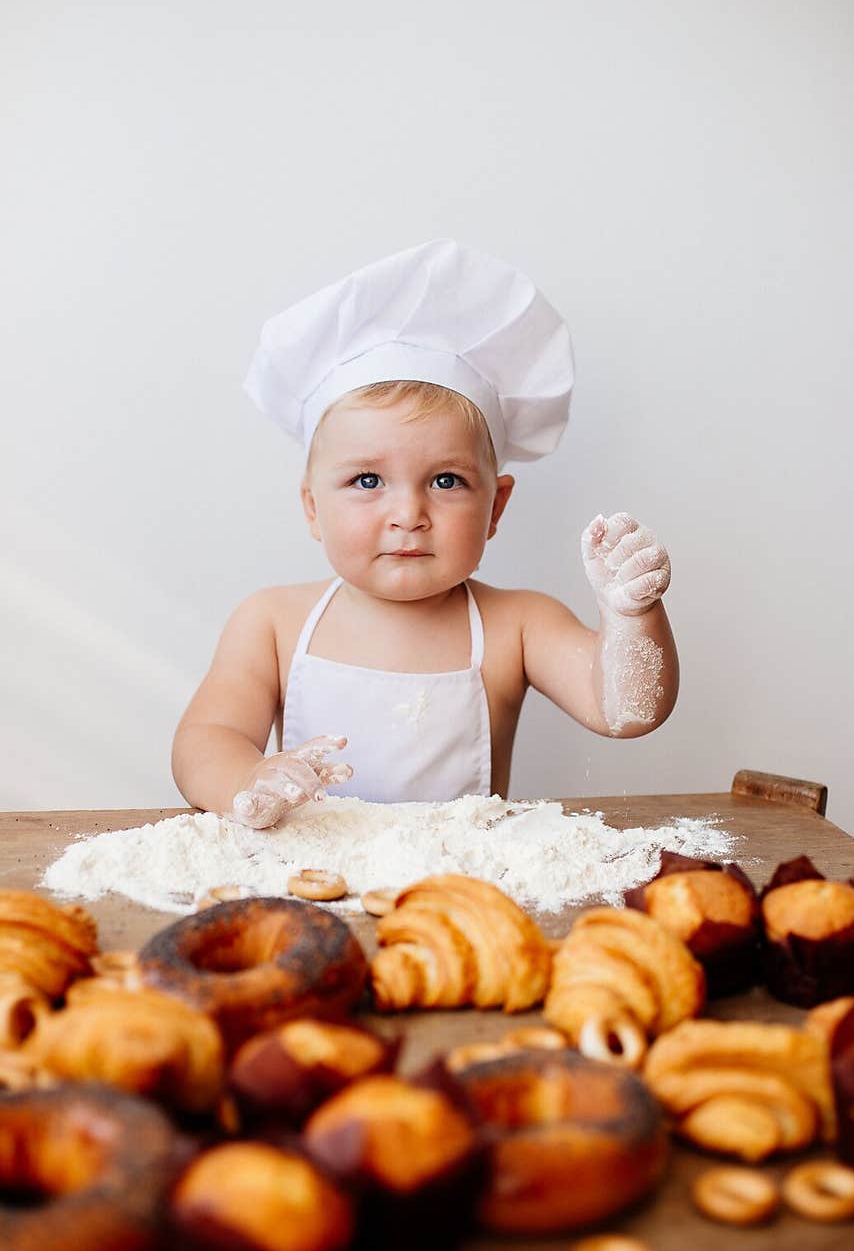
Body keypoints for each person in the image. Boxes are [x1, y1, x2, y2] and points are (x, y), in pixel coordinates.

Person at [172, 239, 678, 829]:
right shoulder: (271, 623)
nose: (409, 512)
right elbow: (207, 737)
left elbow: (626, 709)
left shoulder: (518, 625)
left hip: (458, 891)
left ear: (496, 506)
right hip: (313, 891)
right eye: (367, 479)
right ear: (312, 507)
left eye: (446, 479)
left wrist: (632, 615)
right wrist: (245, 780)